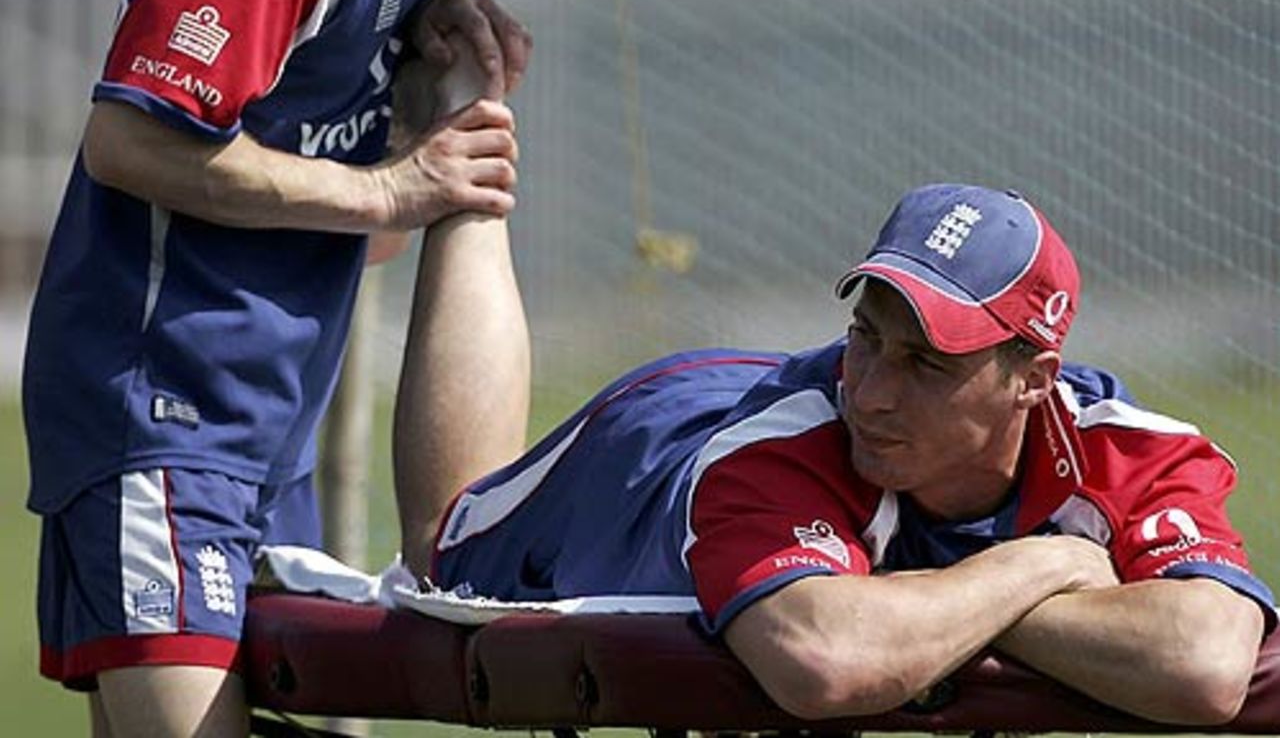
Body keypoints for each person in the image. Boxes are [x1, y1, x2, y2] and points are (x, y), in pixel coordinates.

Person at [23, 0, 732, 738]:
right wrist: (394, 187)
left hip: (256, 438)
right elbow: (129, 141)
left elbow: (369, 227)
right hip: (158, 415)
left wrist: (414, 128)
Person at [404, 183, 1275, 727]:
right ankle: (470, 177)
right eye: (867, 337)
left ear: (1034, 378)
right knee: (438, 542)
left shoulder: (1134, 451)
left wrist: (919, 605)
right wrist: (1046, 564)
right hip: (655, 441)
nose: (875, 391)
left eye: (928, 362)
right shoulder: (780, 446)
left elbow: (1201, 667)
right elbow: (824, 662)